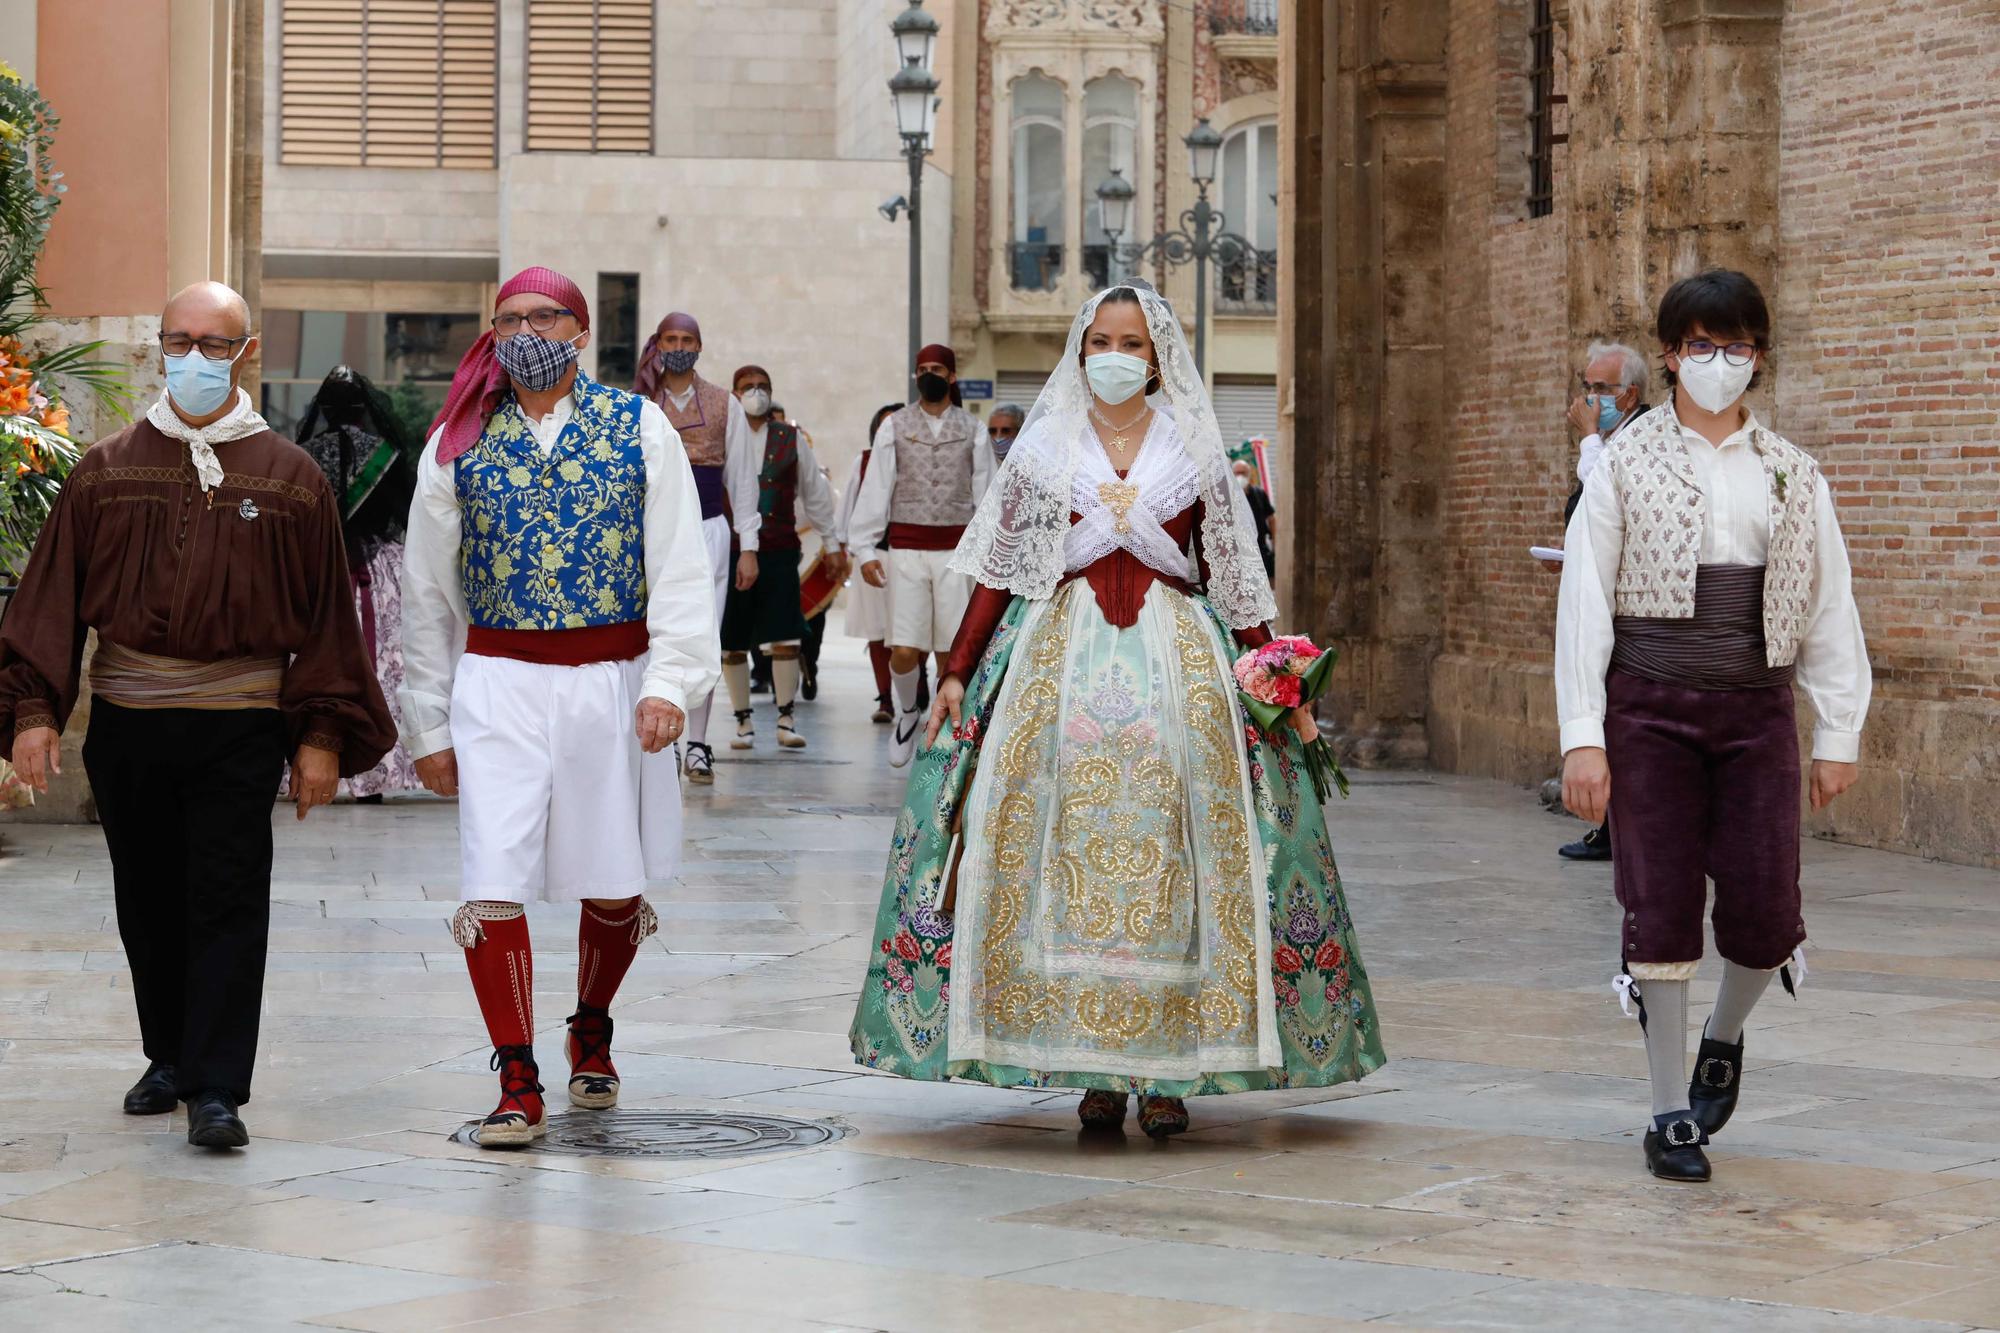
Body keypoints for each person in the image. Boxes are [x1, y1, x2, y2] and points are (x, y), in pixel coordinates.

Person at [848, 283, 1385, 1137]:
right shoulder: (1045, 447)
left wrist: (1281, 676)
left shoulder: (1194, 449)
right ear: (1081, 346)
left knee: (1178, 855)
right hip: (1055, 668)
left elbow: (1234, 577)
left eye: (1132, 341)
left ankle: (1168, 1070)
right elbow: (1001, 573)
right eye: (1101, 338)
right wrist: (956, 670)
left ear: (1156, 356)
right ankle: (1090, 1069)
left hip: (1181, 674)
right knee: (1058, 852)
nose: (1115, 354)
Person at [0, 281, 396, 1149]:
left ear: (244, 354)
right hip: (130, 722)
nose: (195, 357)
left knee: (225, 896)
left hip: (239, 723)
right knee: (147, 898)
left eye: (214, 344)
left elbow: (329, 617)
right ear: (158, 345)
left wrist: (321, 736)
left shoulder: (292, 480)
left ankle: (217, 1086)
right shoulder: (104, 469)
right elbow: (51, 601)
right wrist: (34, 712)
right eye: (180, 340)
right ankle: (169, 1055)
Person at [1557, 269, 1869, 1183]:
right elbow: (1585, 606)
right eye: (1700, 346)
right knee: (1658, 908)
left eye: (1735, 346)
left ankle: (1723, 1040)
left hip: (1756, 711)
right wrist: (1585, 733)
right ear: (1671, 354)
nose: (1718, 362)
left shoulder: (1794, 474)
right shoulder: (1620, 463)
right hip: (1649, 706)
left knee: (1769, 905)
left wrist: (1837, 731)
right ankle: (1667, 1112)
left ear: (1759, 356)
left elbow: (1827, 605)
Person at [401, 268, 718, 1148]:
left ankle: (590, 1021)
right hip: (497, 679)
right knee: (492, 875)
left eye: (545, 316)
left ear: (580, 330)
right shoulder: (455, 441)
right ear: (491, 331)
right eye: (509, 318)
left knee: (613, 878)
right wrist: (426, 723)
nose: (527, 329)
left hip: (611, 678)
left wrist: (670, 684)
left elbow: (681, 564)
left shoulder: (638, 425)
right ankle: (516, 1074)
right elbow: (426, 594)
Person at [847, 344, 993, 766]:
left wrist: (987, 555)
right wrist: (865, 548)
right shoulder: (894, 426)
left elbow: (987, 496)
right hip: (906, 550)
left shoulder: (973, 429)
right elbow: (876, 488)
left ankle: (942, 722)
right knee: (905, 648)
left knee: (951, 648)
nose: (929, 374)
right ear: (915, 377)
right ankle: (908, 710)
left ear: (951, 377)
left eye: (937, 369)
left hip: (956, 551)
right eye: (923, 369)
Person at [633, 312, 762, 786]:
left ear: (700, 346)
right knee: (651, 635)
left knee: (701, 634)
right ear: (659, 344)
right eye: (671, 338)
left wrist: (748, 547)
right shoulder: (639, 403)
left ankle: (699, 743)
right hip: (648, 533)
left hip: (708, 529)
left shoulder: (724, 404)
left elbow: (743, 483)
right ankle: (657, 741)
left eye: (688, 339)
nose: (679, 346)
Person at [294, 365, 423, 800]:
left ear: (324, 409)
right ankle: (374, 772)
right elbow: (406, 515)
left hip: (319, 574)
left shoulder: (305, 454)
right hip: (381, 575)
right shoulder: (385, 453)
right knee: (385, 663)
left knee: (316, 663)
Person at [1555, 341, 1649, 863]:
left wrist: (1590, 437)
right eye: (1586, 387)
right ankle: (1610, 828)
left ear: (1628, 393)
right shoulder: (1616, 435)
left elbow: (1604, 490)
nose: (1588, 399)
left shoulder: (1638, 438)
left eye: (1599, 389)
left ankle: (1619, 829)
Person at [718, 367, 843, 751]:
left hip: (780, 549)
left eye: (762, 387)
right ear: (734, 393)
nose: (756, 393)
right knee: (732, 640)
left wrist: (833, 544)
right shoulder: (720, 437)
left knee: (786, 635)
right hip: (732, 549)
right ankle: (743, 722)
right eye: (747, 387)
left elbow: (816, 493)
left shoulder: (790, 439)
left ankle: (786, 718)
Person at [836, 403, 904, 722]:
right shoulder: (862, 462)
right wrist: (848, 549)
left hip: (909, 554)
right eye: (884, 426)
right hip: (875, 554)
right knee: (877, 631)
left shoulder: (919, 462)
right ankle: (885, 698)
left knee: (909, 631)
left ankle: (914, 695)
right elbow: (848, 507)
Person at [1232, 458, 1278, 579]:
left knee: (1267, 579)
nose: (1240, 476)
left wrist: (1275, 540)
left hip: (1260, 547)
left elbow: (1271, 517)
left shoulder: (1259, 493)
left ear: (1249, 474)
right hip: (1238, 550)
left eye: (1243, 472)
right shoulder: (1228, 494)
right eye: (1237, 473)